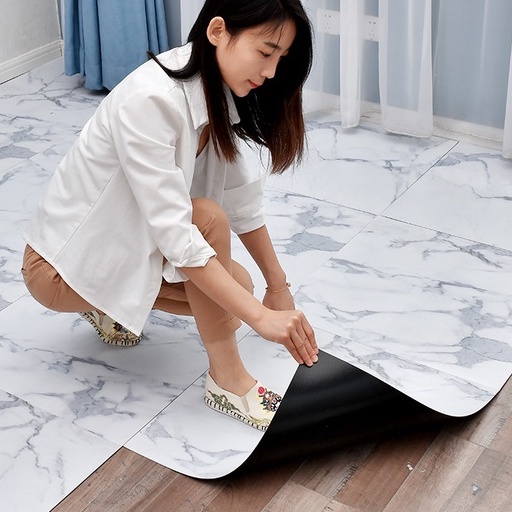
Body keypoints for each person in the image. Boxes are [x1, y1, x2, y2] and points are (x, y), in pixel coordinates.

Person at [21, 0, 318, 432]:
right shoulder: (151, 100)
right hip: (58, 269)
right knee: (208, 225)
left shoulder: (216, 90)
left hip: (122, 246)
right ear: (217, 31)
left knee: (240, 288)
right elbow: (180, 237)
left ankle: (108, 308)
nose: (271, 72)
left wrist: (277, 289)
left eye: (281, 59)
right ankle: (228, 381)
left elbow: (241, 200)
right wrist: (261, 318)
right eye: (265, 52)